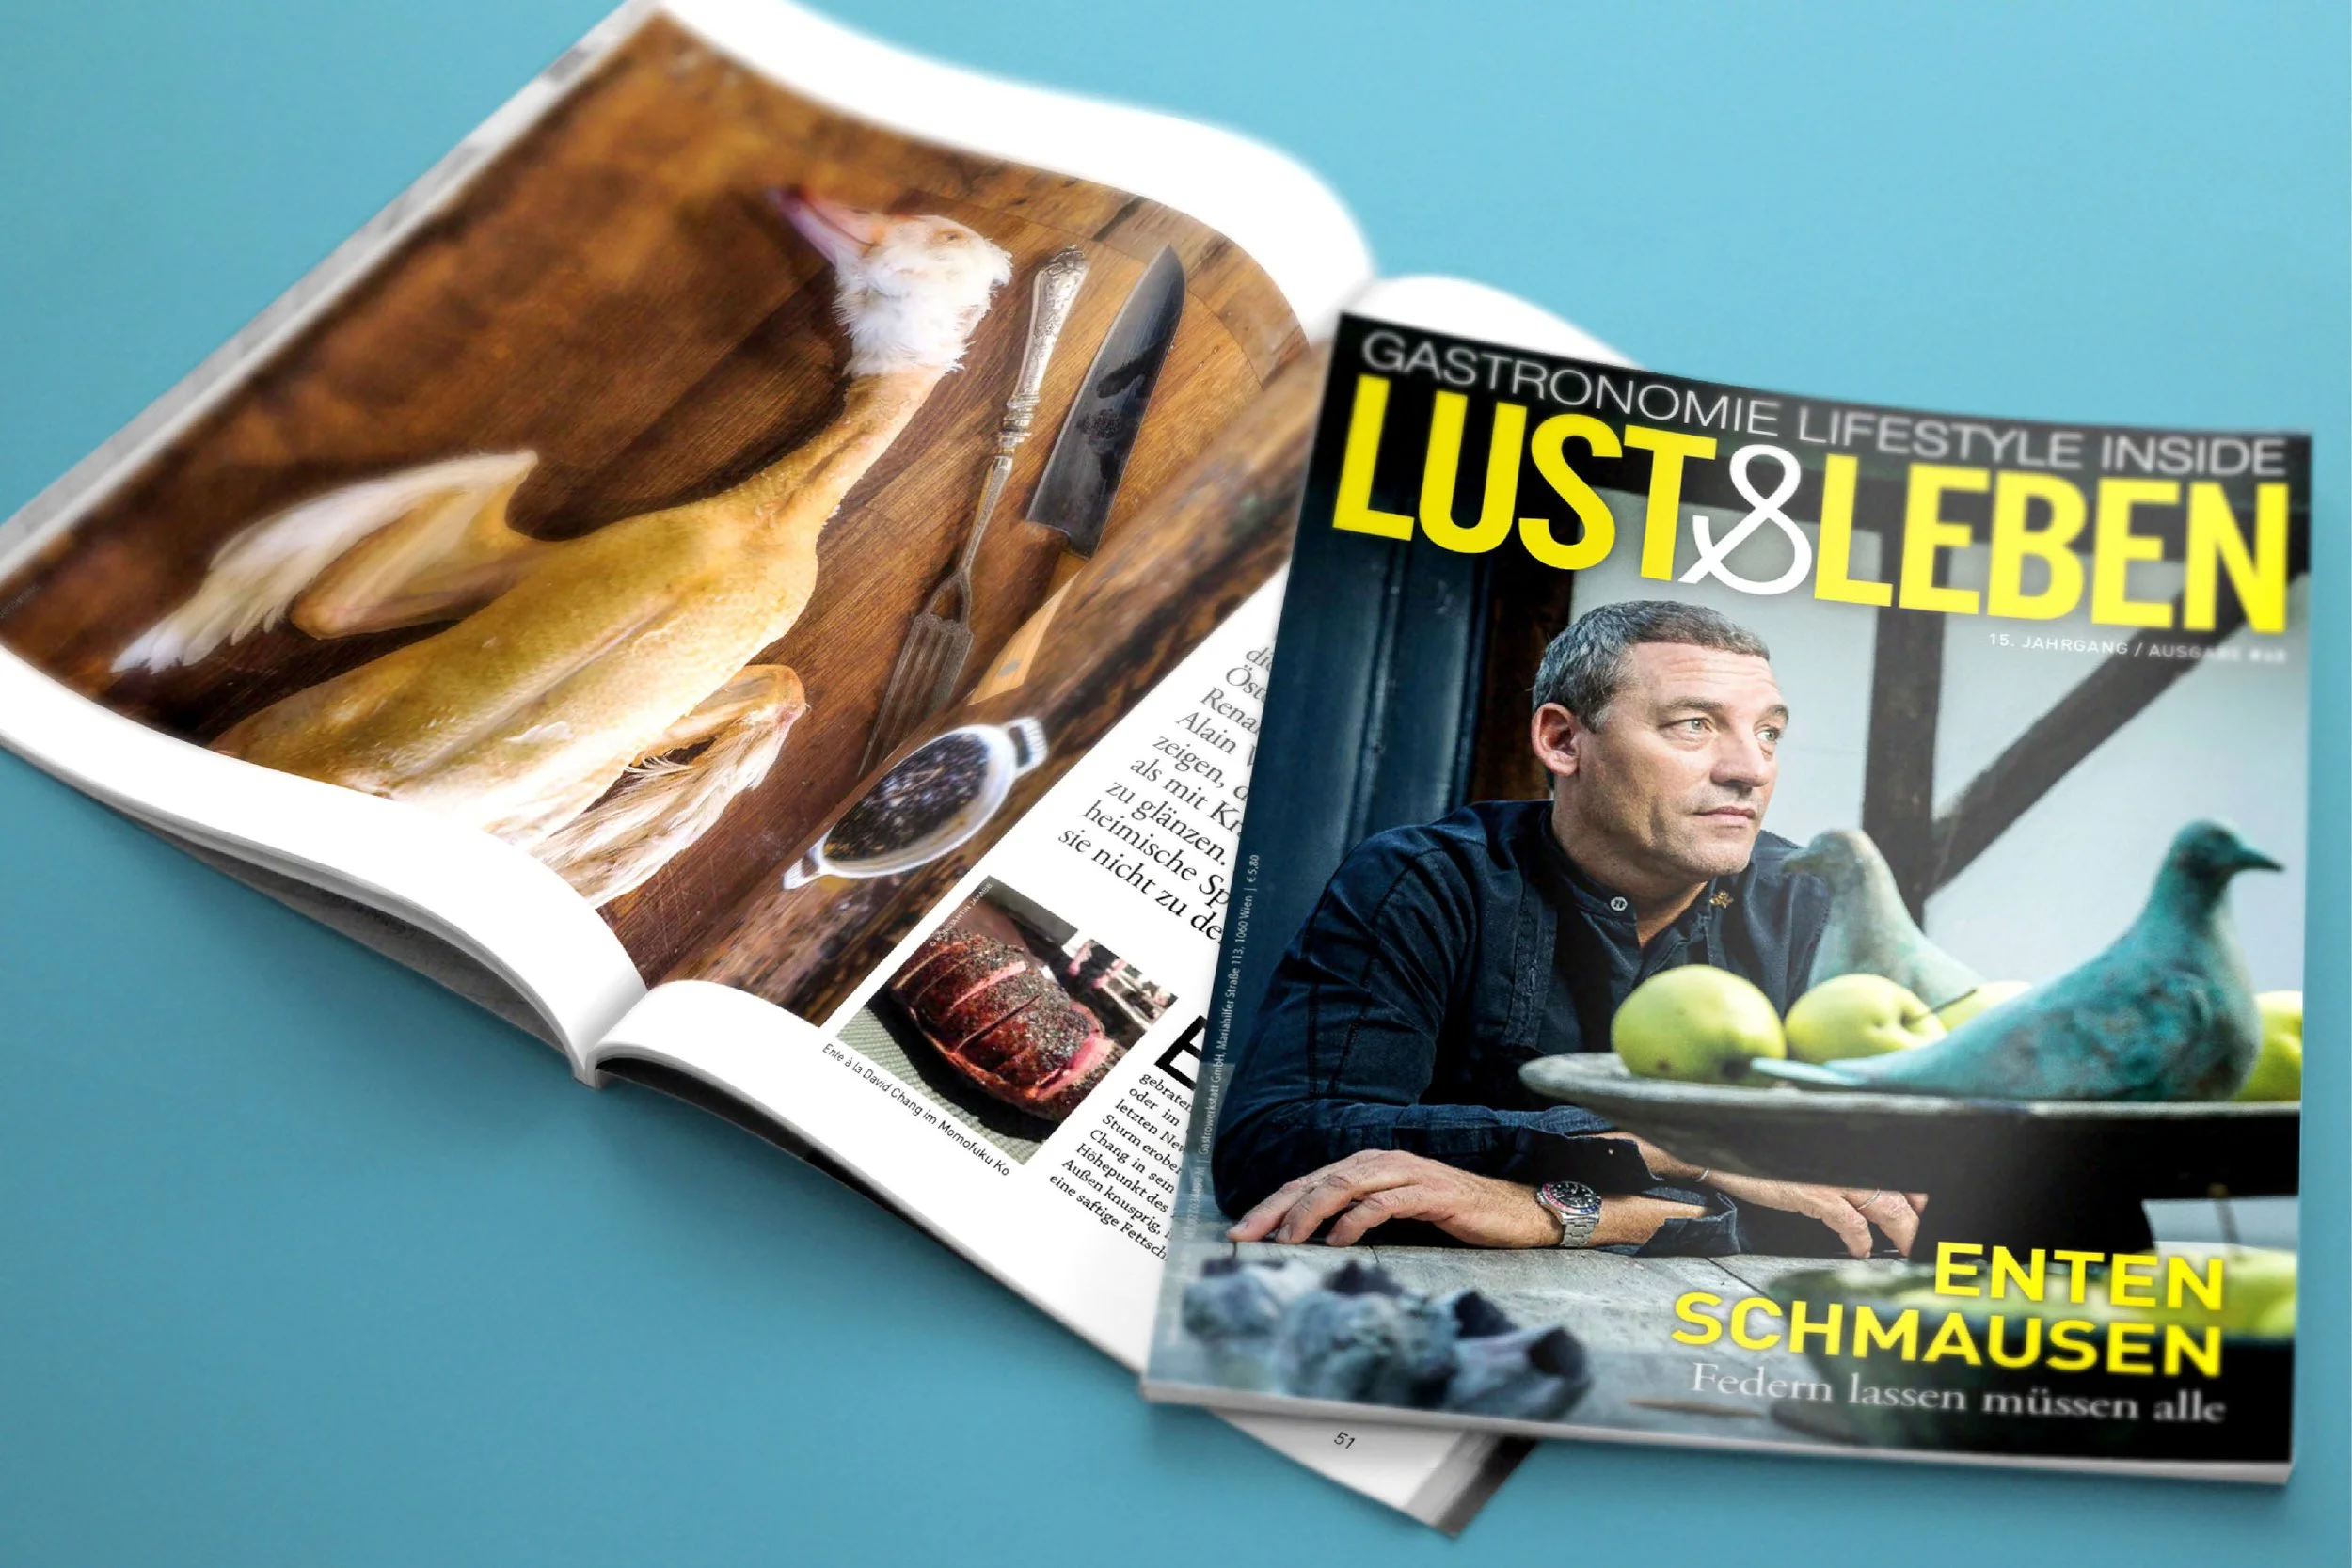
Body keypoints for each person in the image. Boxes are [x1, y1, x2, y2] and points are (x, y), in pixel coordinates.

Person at [1214, 599, 1926, 1259]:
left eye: (1768, 732)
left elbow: (1885, 1205)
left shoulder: (1807, 904)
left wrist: (1551, 1207)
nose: (1750, 769)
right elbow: (1274, 1149)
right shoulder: (1425, 881)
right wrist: (1677, 1152)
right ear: (1561, 740)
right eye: (1694, 725)